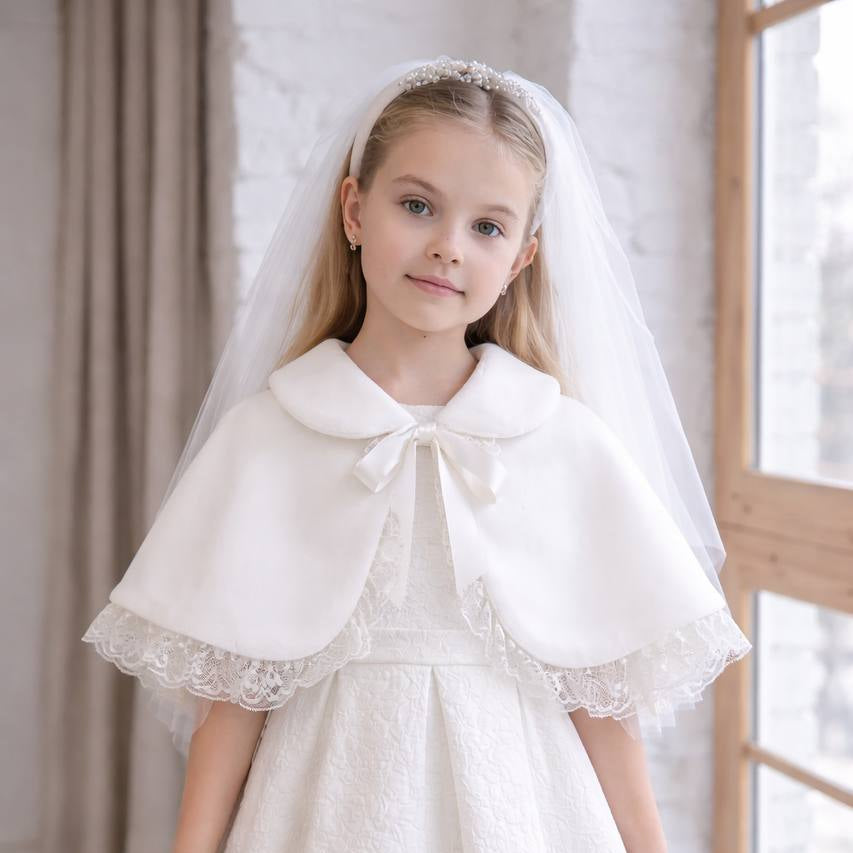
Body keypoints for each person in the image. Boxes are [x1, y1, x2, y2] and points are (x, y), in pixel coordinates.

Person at [82, 55, 752, 852]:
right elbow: (233, 700)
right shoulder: (271, 436)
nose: (447, 247)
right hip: (322, 807)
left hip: (524, 812)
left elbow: (601, 703)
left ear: (522, 258)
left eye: (487, 227)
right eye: (416, 205)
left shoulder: (560, 441)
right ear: (354, 209)